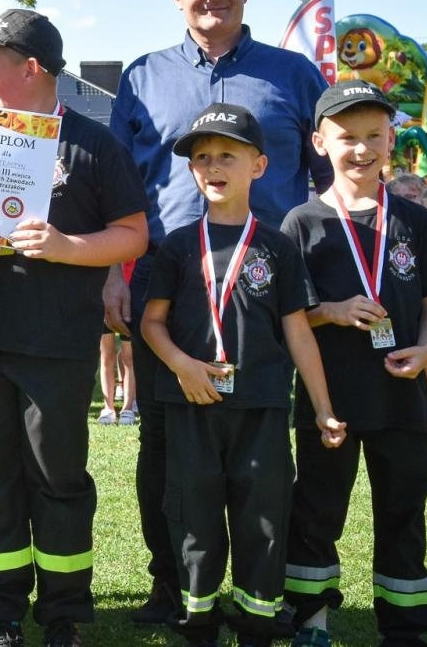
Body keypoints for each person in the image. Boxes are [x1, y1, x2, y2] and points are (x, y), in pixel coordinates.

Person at [109, 0, 329, 625]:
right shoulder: (143, 75)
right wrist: (116, 279)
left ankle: (273, 591)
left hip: (269, 293)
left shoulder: (295, 75)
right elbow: (118, 187)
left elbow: (330, 183)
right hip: (166, 290)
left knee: (269, 447)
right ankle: (173, 588)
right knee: (166, 448)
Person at [0, 12, 147, 647]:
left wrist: (63, 245)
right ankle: (0, 615)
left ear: (30, 69)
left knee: (58, 480)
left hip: (57, 342)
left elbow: (133, 233)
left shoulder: (94, 143)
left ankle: (63, 616)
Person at [140, 103, 345, 647]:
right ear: (191, 170)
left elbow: (299, 331)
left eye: (227, 154)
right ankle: (197, 621)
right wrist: (182, 364)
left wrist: (323, 407)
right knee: (194, 516)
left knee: (263, 518)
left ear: (258, 165)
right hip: (192, 405)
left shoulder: (277, 245)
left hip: (261, 408)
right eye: (202, 157)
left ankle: (258, 622)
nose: (213, 166)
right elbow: (151, 323)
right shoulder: (180, 245)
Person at [280, 82, 427, 647]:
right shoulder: (301, 223)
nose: (361, 149)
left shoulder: (414, 220)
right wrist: (330, 310)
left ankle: (404, 627)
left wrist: (426, 350)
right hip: (328, 400)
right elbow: (290, 320)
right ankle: (311, 621)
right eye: (347, 137)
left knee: (404, 512)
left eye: (373, 136)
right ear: (319, 142)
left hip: (401, 399)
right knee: (316, 512)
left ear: (390, 140)